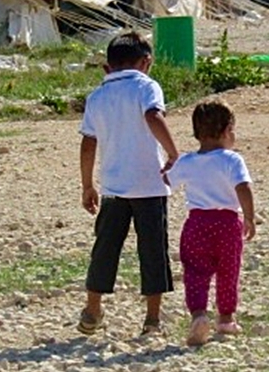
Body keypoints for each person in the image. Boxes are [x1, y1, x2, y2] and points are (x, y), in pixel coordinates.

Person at [77, 31, 180, 336]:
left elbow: (88, 142)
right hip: (150, 184)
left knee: (105, 248)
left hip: (112, 188)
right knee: (153, 251)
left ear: (107, 67)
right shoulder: (147, 87)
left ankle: (93, 310)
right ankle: (152, 319)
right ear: (146, 62)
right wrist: (174, 153)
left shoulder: (97, 97)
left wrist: (87, 185)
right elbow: (153, 117)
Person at [166, 100, 256, 347]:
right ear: (228, 131)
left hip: (197, 223)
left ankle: (199, 314)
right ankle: (226, 318)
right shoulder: (232, 160)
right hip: (227, 224)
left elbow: (165, 185)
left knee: (195, 271)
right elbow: (243, 187)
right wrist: (249, 216)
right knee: (229, 271)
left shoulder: (186, 161)